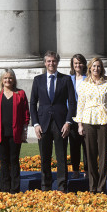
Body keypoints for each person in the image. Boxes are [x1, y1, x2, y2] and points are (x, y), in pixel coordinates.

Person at [30, 50, 76, 192]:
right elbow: (32, 103)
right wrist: (36, 124)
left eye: (54, 61)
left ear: (57, 62)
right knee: (45, 157)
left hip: (61, 124)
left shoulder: (66, 79)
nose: (51, 63)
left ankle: (62, 187)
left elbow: (72, 103)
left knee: (61, 157)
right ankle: (45, 186)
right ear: (45, 63)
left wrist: (68, 122)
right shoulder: (38, 80)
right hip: (43, 124)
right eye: (49, 61)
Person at [75, 57, 107, 193]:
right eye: (94, 66)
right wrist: (80, 125)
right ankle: (92, 186)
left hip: (103, 121)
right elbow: (80, 104)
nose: (96, 69)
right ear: (89, 68)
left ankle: (102, 186)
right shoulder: (84, 84)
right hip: (88, 120)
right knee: (91, 154)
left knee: (103, 155)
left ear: (102, 68)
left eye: (98, 66)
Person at [0, 69, 30, 193]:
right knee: (4, 160)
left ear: (14, 79)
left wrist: (24, 131)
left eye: (10, 78)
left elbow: (26, 114)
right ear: (2, 80)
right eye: (5, 78)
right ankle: (5, 189)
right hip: (0, 132)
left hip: (16, 133)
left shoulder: (20, 93)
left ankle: (15, 189)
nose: (8, 80)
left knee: (14, 160)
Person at [68, 54, 88, 179]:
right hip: (73, 116)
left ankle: (87, 170)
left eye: (80, 63)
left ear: (84, 64)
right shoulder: (68, 79)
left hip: (86, 116)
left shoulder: (89, 78)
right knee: (74, 144)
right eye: (75, 63)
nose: (78, 65)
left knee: (86, 145)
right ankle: (75, 170)